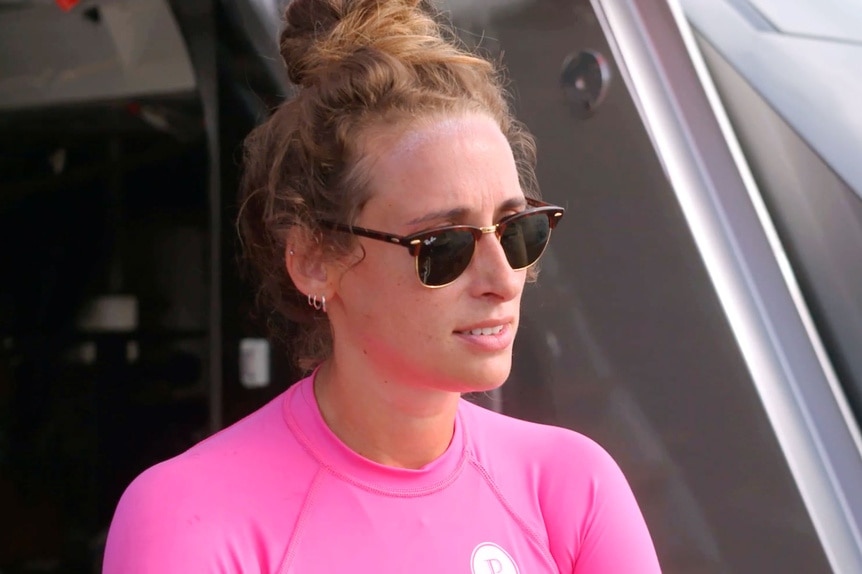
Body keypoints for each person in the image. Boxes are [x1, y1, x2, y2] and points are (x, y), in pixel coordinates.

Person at [103, 0, 661, 572]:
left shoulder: (569, 488)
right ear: (316, 260)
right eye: (445, 245)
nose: (503, 280)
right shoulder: (189, 515)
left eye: (519, 231)